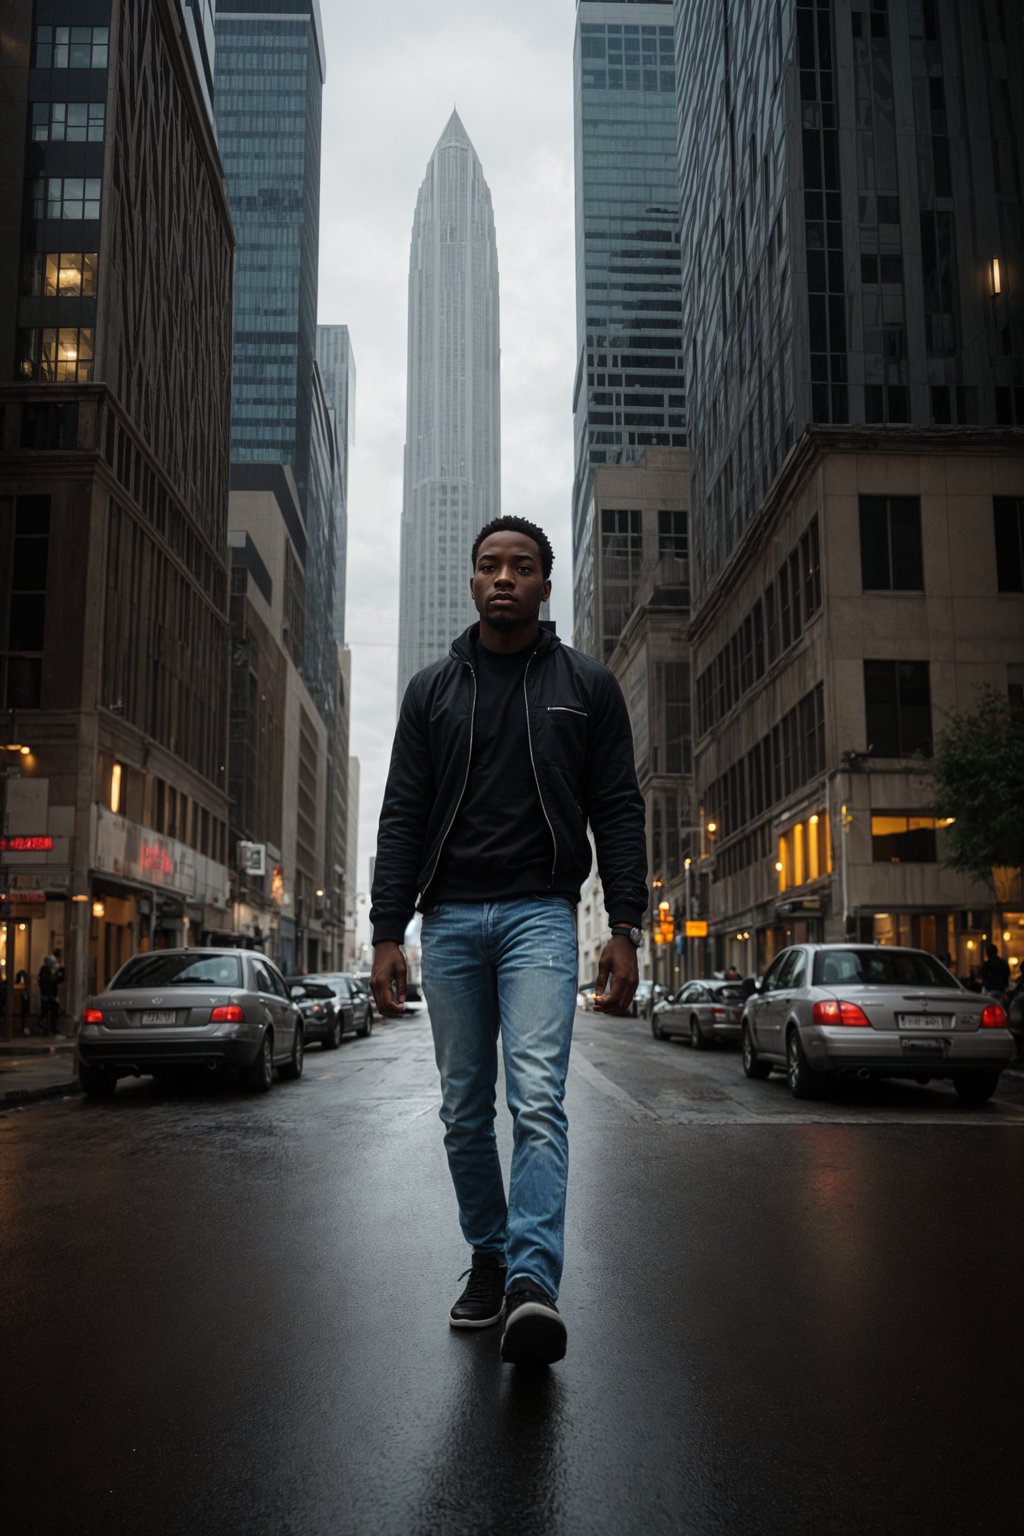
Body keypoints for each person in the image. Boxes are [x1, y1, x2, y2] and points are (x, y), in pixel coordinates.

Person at [370, 516, 647, 1368]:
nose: (503, 578)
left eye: (520, 567)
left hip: (539, 915)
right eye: (488, 564)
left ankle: (532, 1283)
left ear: (544, 585)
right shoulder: (431, 691)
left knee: (536, 1100)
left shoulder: (587, 685)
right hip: (449, 917)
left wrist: (627, 926)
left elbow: (620, 808)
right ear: (472, 581)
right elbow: (404, 813)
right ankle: (489, 1258)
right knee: (462, 1109)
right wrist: (387, 931)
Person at [37, 955, 60, 1036]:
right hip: (48, 996)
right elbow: (47, 983)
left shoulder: (47, 971)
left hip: (49, 995)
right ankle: (47, 1027)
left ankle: (50, 1028)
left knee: (50, 1011)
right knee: (48, 1011)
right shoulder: (45, 970)